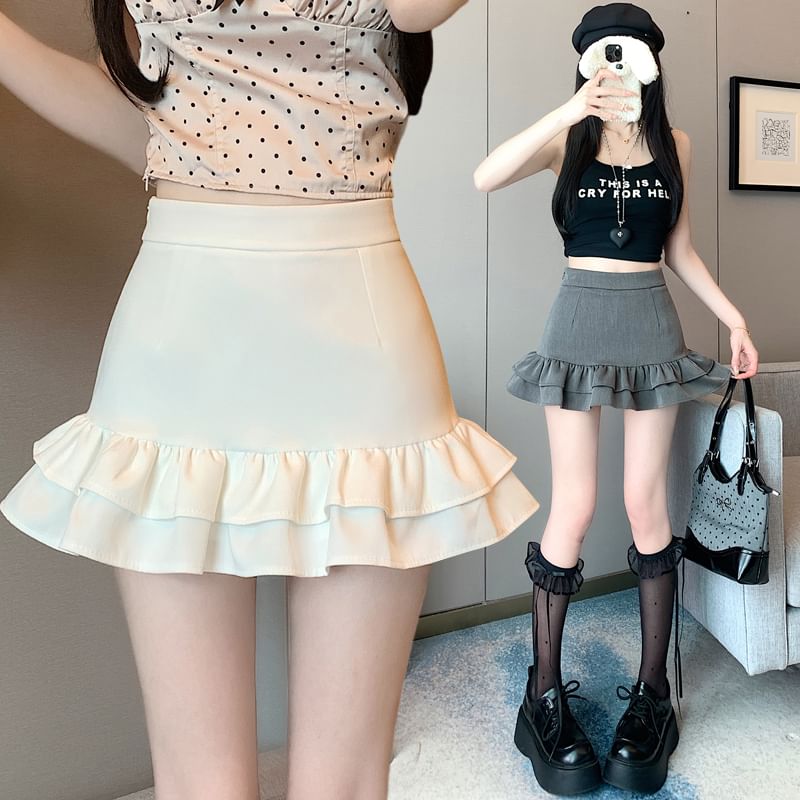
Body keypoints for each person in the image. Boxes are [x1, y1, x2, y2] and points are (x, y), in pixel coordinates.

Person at [0, 2, 539, 798]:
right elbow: (157, 124)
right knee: (199, 782)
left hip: (359, 343)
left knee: (341, 780)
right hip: (177, 339)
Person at [474, 3, 758, 796]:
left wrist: (733, 317)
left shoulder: (677, 145)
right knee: (573, 503)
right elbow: (485, 176)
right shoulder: (568, 138)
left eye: (628, 54)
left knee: (644, 504)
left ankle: (651, 695)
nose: (616, 68)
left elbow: (680, 249)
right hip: (576, 320)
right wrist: (571, 109)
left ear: (651, 63)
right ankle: (542, 699)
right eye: (602, 56)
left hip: (651, 325)